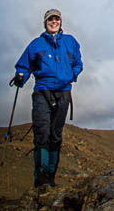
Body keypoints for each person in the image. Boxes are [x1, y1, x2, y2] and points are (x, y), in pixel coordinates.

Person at [11, 9, 83, 187]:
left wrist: (71, 75)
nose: (54, 21)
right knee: (42, 133)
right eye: (50, 19)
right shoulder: (36, 44)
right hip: (42, 91)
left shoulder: (70, 41)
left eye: (56, 19)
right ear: (45, 22)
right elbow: (24, 65)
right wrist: (20, 75)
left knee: (55, 135)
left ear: (60, 22)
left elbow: (78, 63)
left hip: (64, 92)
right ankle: (41, 178)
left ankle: (51, 177)